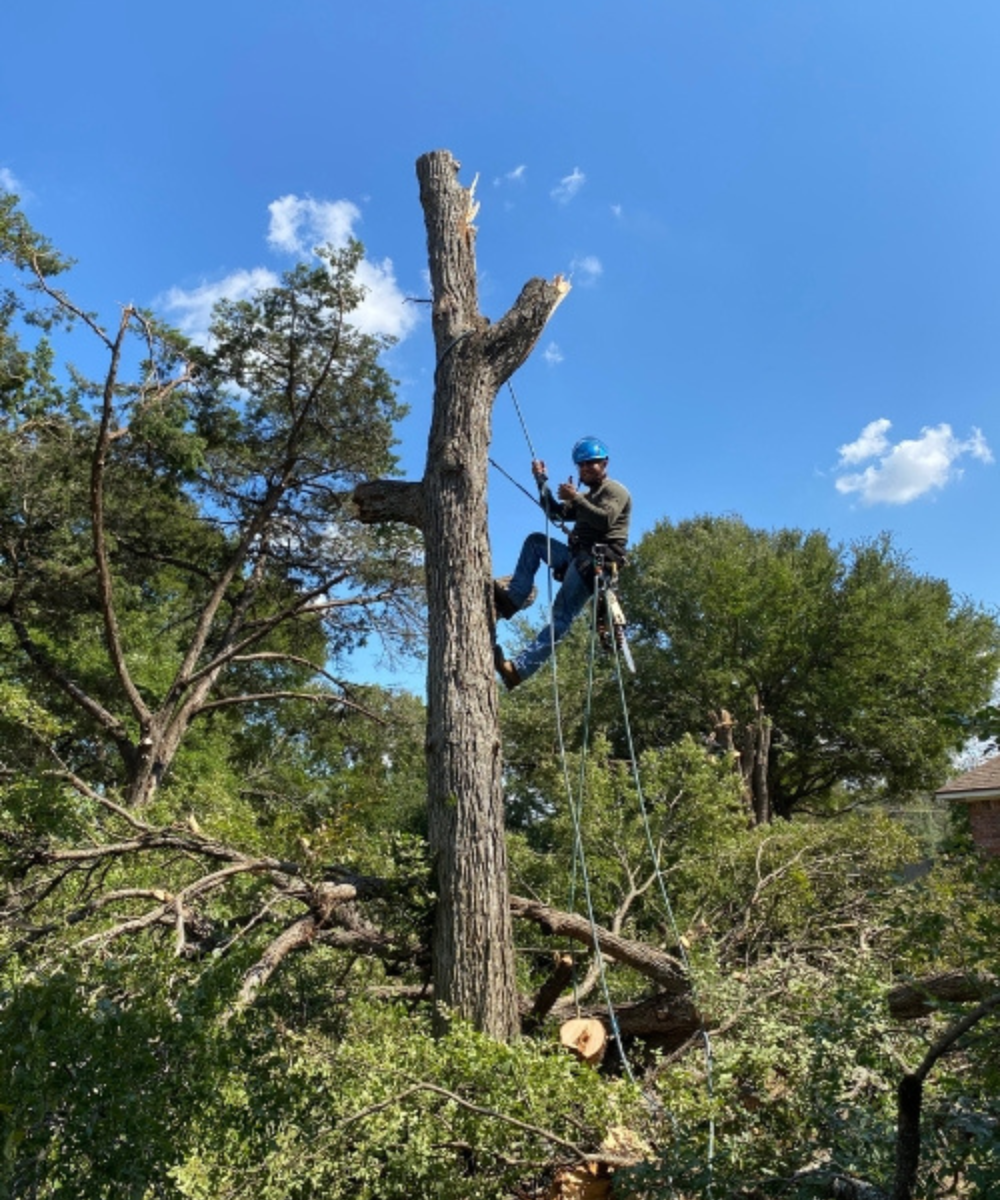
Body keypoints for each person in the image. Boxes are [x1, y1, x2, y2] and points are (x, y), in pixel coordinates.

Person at [493, 436, 631, 689]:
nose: (587, 468)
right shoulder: (587, 496)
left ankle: (518, 670)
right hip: (576, 557)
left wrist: (576, 498)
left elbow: (605, 521)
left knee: (561, 616)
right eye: (582, 465)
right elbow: (554, 512)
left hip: (594, 563)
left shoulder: (615, 491)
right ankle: (513, 598)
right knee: (536, 542)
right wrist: (541, 479)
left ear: (605, 464)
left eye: (592, 463)